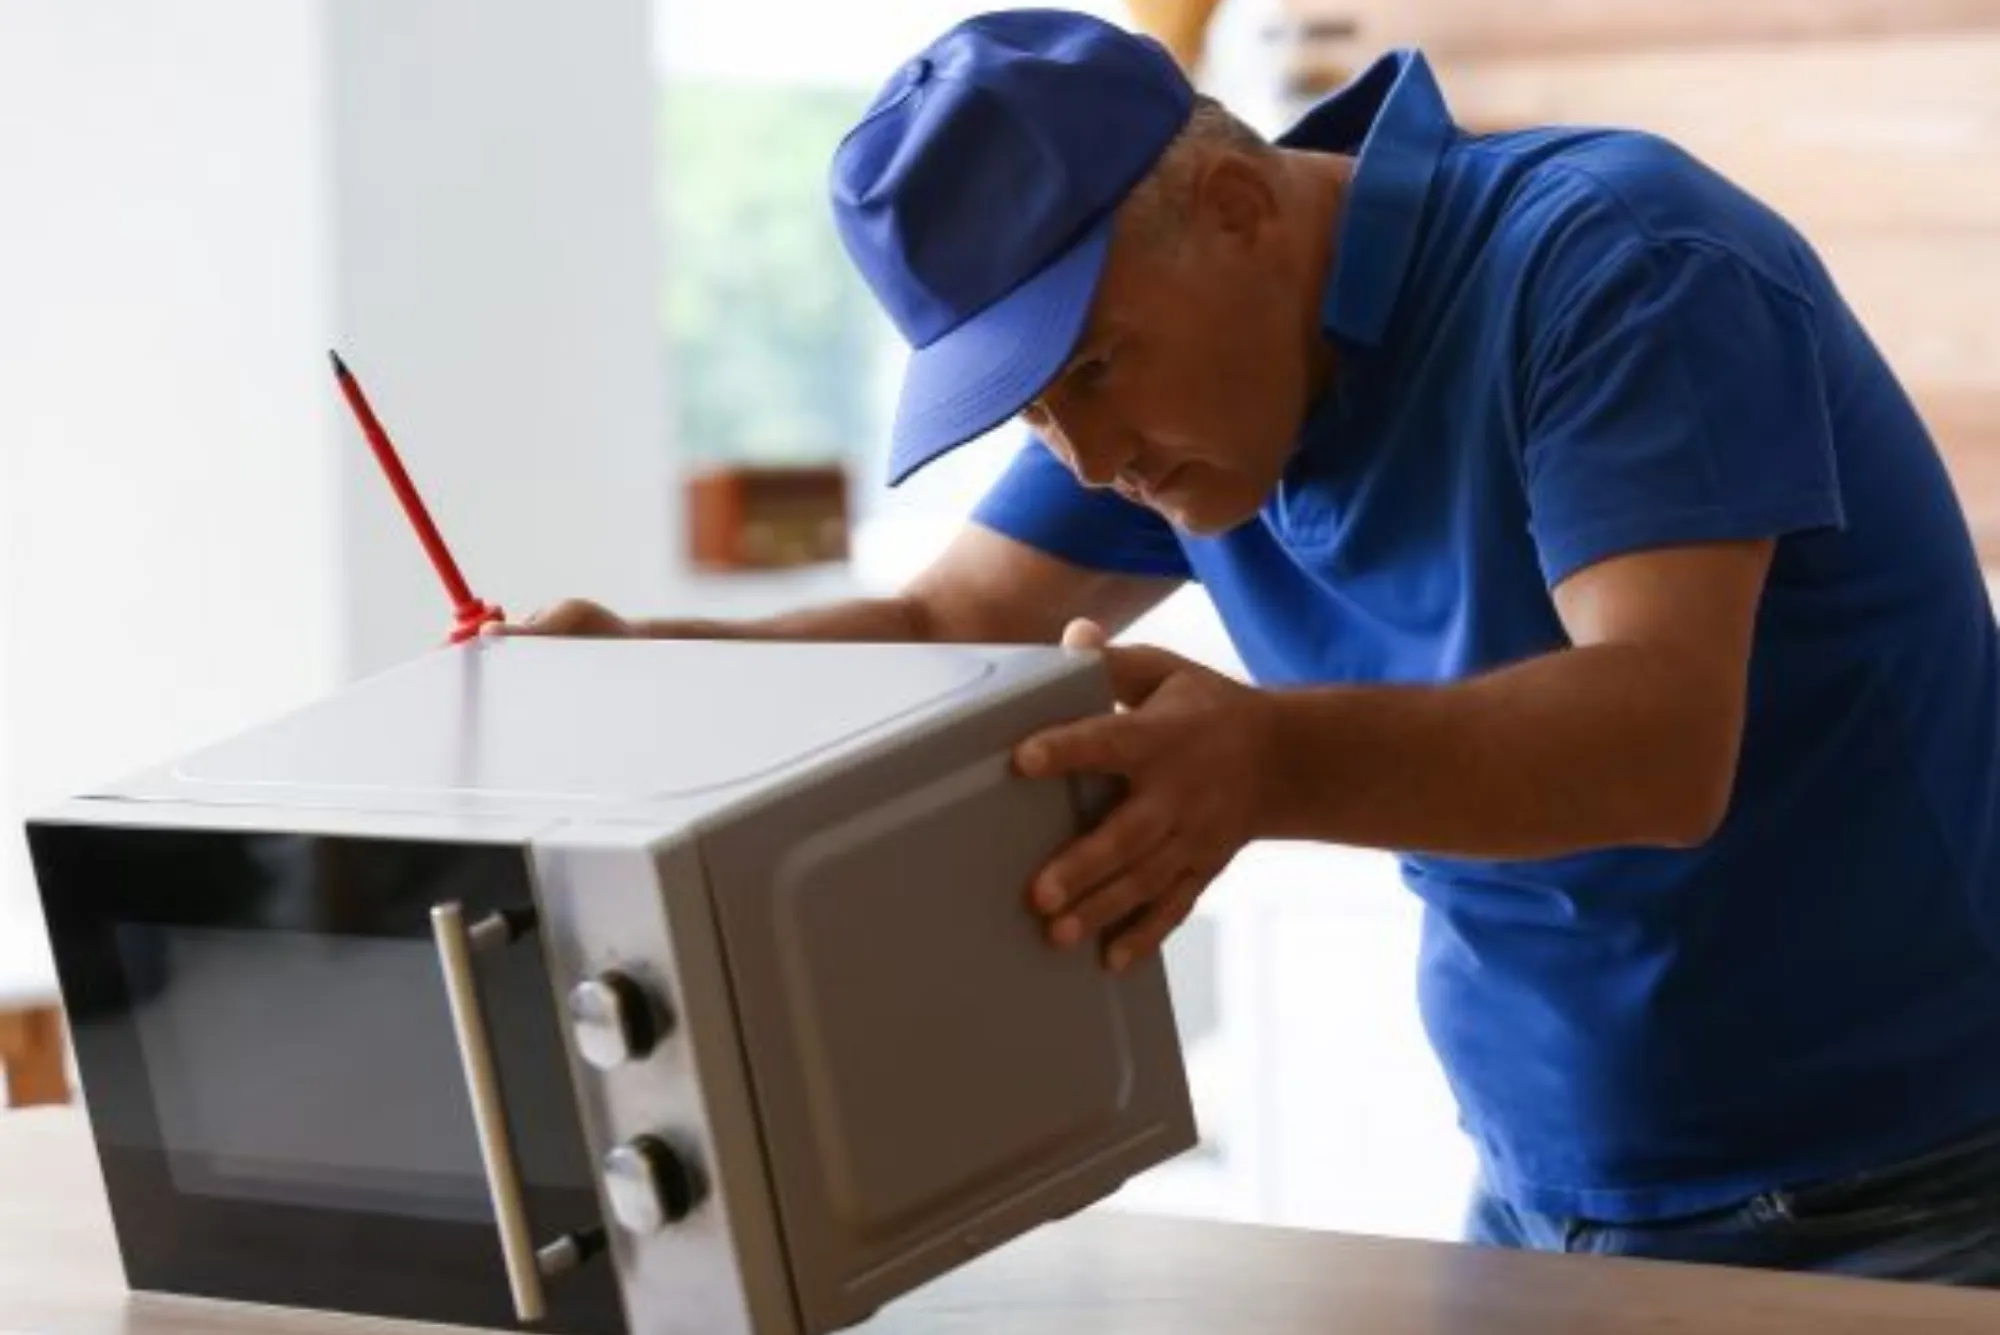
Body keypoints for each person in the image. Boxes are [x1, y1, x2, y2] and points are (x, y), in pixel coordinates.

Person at [495, 9, 2000, 1285]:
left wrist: (1264, 758)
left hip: (1912, 1187)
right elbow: (947, 625)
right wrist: (640, 663)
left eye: (1088, 368)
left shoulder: (1615, 265)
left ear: (1234, 204)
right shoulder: (1201, 399)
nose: (1082, 456)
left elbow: (1660, 741)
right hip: (1543, 1187)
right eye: (1029, 410)